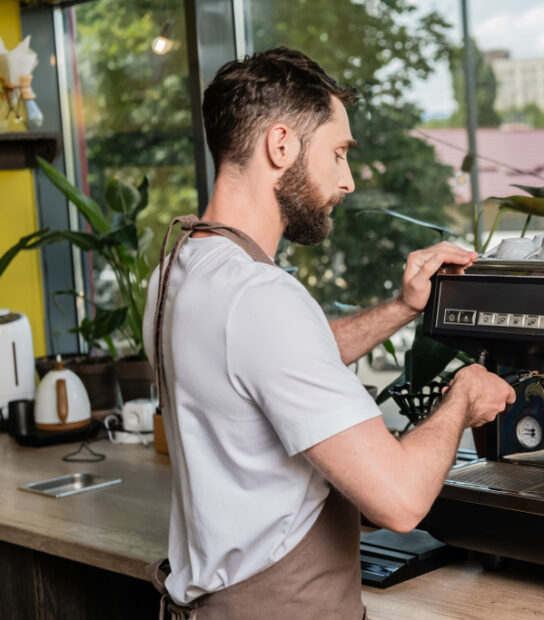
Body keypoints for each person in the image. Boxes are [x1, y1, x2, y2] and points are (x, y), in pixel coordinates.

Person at [141, 47, 515, 619]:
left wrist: (401, 307)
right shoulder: (260, 298)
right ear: (281, 144)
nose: (347, 181)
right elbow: (400, 502)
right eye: (338, 153)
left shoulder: (178, 271)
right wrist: (462, 395)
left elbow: (269, 365)